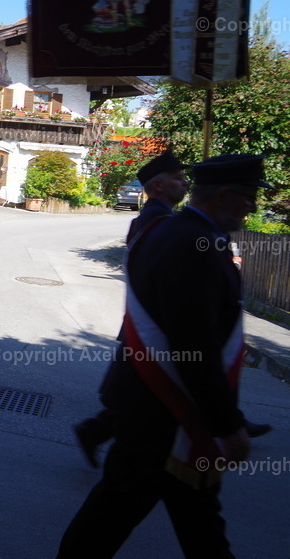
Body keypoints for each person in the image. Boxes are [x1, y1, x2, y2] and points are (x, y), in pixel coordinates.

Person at [56, 154, 272, 559]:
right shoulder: (194, 244)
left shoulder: (174, 231)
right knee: (118, 521)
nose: (253, 206)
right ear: (224, 194)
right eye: (247, 196)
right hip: (166, 416)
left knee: (171, 522)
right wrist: (228, 425)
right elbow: (194, 348)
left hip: (154, 411)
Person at [74, 152, 269, 468]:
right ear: (159, 185)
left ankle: (95, 430)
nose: (184, 183)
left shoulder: (170, 223)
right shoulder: (164, 224)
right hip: (156, 345)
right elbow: (191, 336)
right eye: (178, 178)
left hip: (155, 344)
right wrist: (227, 423)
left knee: (126, 496)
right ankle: (94, 430)